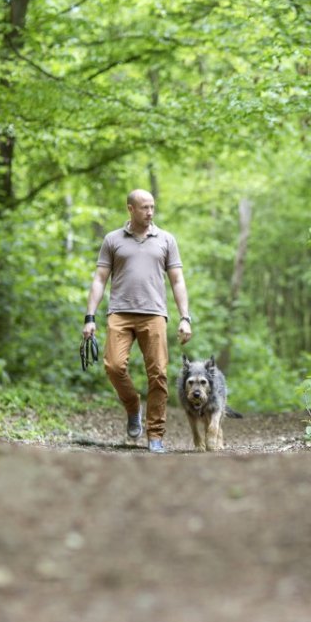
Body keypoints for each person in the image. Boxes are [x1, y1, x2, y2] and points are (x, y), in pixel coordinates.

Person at [82, 189, 192, 453]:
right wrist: (90, 317)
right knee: (113, 366)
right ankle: (133, 407)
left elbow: (177, 280)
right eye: (144, 207)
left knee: (159, 374)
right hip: (119, 312)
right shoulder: (112, 239)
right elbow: (99, 279)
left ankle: (155, 434)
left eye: (152, 207)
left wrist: (185, 317)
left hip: (154, 314)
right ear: (130, 208)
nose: (150, 212)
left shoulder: (166, 239)